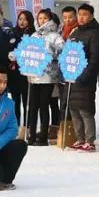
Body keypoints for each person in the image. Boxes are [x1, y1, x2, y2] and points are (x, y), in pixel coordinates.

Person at [66, 3, 99, 151]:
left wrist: (86, 75)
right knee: (74, 109)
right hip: (71, 76)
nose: (81, 17)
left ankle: (90, 139)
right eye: (80, 14)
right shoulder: (74, 33)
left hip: (85, 78)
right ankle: (79, 138)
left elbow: (95, 58)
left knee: (85, 109)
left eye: (85, 15)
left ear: (91, 16)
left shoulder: (94, 34)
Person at [27, 10, 63, 146]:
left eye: (45, 18)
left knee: (44, 105)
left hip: (48, 75)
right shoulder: (34, 35)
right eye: (40, 18)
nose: (42, 20)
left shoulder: (55, 36)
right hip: (34, 74)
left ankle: (43, 136)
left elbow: (62, 50)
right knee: (32, 106)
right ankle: (31, 135)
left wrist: (50, 55)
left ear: (50, 19)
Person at [8, 10, 35, 128]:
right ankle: (15, 125)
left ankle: (28, 125)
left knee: (27, 100)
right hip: (14, 72)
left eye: (25, 19)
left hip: (27, 73)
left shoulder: (33, 34)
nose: (22, 22)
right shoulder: (11, 33)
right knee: (15, 100)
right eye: (20, 19)